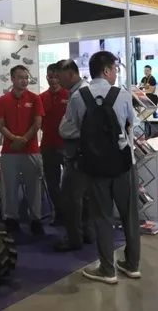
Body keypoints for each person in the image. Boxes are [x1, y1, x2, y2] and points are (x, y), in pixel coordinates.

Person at [68, 51, 140, 284]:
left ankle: (108, 269)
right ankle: (132, 265)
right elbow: (133, 125)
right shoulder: (123, 95)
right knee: (129, 215)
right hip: (122, 164)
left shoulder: (78, 96)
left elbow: (70, 128)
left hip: (95, 166)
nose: (116, 73)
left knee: (102, 217)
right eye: (115, 69)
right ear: (107, 70)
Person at [0, 65, 45, 235]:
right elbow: (0, 125)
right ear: (12, 79)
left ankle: (35, 219)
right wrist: (14, 139)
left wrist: (24, 139)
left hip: (31, 150)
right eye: (20, 77)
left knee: (34, 187)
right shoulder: (3, 100)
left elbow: (37, 123)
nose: (24, 80)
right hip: (9, 151)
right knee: (9, 187)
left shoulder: (35, 98)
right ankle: (11, 219)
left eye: (26, 77)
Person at [54, 59, 94, 251]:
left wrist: (64, 130)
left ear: (71, 74)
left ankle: (74, 239)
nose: (58, 81)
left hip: (77, 151)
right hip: (84, 152)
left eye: (60, 76)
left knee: (71, 197)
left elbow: (76, 126)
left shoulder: (79, 95)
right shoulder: (83, 92)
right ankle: (86, 233)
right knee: (84, 196)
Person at [39, 63, 69, 225]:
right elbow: (39, 122)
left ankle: (71, 213)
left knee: (70, 182)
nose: (53, 80)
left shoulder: (70, 95)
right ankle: (59, 212)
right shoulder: (41, 98)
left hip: (67, 146)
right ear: (46, 77)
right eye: (50, 77)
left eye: (56, 76)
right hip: (48, 145)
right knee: (51, 182)